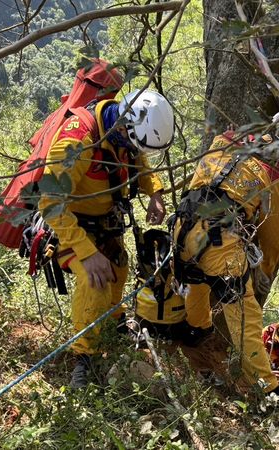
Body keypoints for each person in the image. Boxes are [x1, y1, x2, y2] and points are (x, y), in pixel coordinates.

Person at [39, 89, 175, 388]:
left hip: (107, 225)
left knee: (119, 273)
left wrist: (155, 193)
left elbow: (139, 162)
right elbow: (50, 202)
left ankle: (113, 323)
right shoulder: (76, 141)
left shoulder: (125, 133)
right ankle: (83, 358)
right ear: (124, 126)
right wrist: (87, 252)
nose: (135, 149)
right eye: (133, 142)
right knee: (95, 281)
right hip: (71, 227)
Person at [172, 128, 279, 393]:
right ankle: (265, 386)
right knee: (244, 315)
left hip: (183, 228)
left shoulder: (221, 144)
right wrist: (265, 272)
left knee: (196, 285)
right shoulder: (273, 175)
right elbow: (274, 238)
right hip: (221, 242)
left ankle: (196, 342)